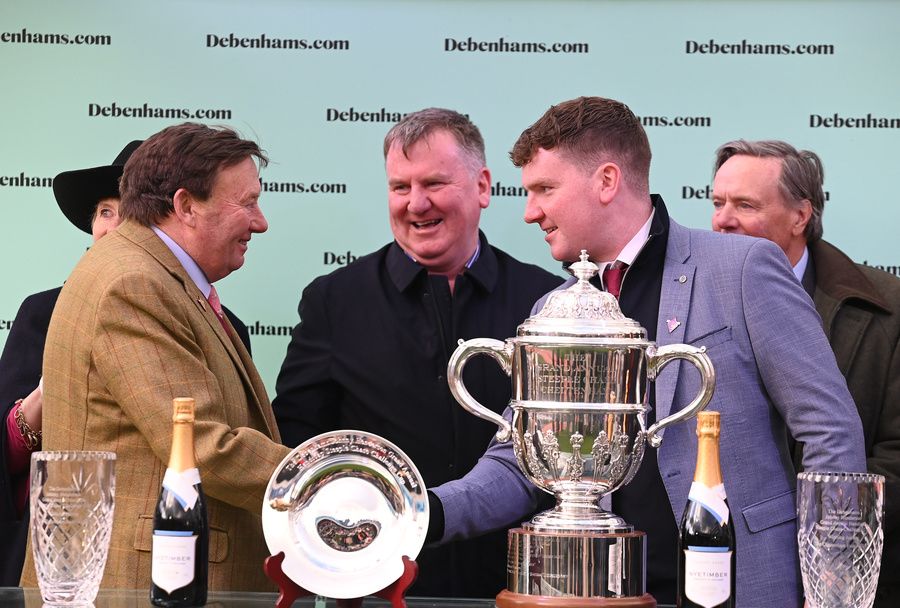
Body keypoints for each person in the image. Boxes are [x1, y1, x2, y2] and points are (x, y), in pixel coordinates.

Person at [427, 97, 866, 607]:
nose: (530, 212)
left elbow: (830, 432)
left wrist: (834, 590)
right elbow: (519, 463)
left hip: (748, 588)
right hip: (607, 596)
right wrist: (419, 513)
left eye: (545, 189)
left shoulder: (743, 267)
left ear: (607, 181)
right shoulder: (554, 308)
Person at [272, 108, 564, 598]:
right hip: (375, 590)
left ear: (483, 187)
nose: (415, 203)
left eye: (433, 182)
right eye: (399, 187)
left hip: (519, 589)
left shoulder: (546, 305)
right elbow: (297, 450)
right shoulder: (334, 301)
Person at [19, 123, 292, 591]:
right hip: (146, 586)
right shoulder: (135, 282)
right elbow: (201, 445)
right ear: (186, 205)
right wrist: (335, 480)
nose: (260, 221)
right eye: (247, 202)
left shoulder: (146, 272)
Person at [710, 139, 900, 607]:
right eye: (717, 203)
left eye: (745, 205)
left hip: (848, 580)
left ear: (801, 216)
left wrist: (816, 529)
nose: (723, 219)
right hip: (721, 570)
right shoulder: (690, 299)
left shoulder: (887, 309)